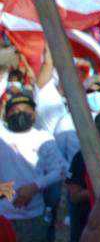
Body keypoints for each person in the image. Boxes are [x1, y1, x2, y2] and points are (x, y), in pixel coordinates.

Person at [0, 91, 66, 241]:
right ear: (6, 115)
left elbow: (61, 170)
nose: (20, 113)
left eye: (26, 110)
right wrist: (6, 191)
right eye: (14, 111)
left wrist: (34, 186)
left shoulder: (43, 137)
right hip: (3, 215)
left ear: (34, 114)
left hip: (34, 214)